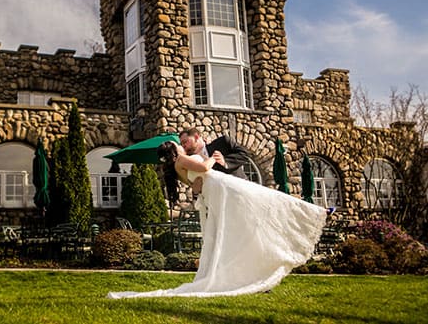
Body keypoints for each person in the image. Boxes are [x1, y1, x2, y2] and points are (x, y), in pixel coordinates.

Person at [107, 141, 327, 299]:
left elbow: (195, 185)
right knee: (266, 199)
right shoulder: (182, 158)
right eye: (178, 144)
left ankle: (309, 213)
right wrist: (212, 158)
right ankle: (312, 213)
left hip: (214, 191)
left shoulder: (176, 169)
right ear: (174, 149)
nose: (182, 145)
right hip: (222, 186)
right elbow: (203, 169)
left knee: (259, 204)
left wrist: (203, 174)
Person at [179, 128, 249, 179]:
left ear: (196, 137)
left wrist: (225, 162)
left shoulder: (222, 142)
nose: (183, 146)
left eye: (185, 142)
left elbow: (244, 154)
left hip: (240, 190)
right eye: (181, 144)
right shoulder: (189, 161)